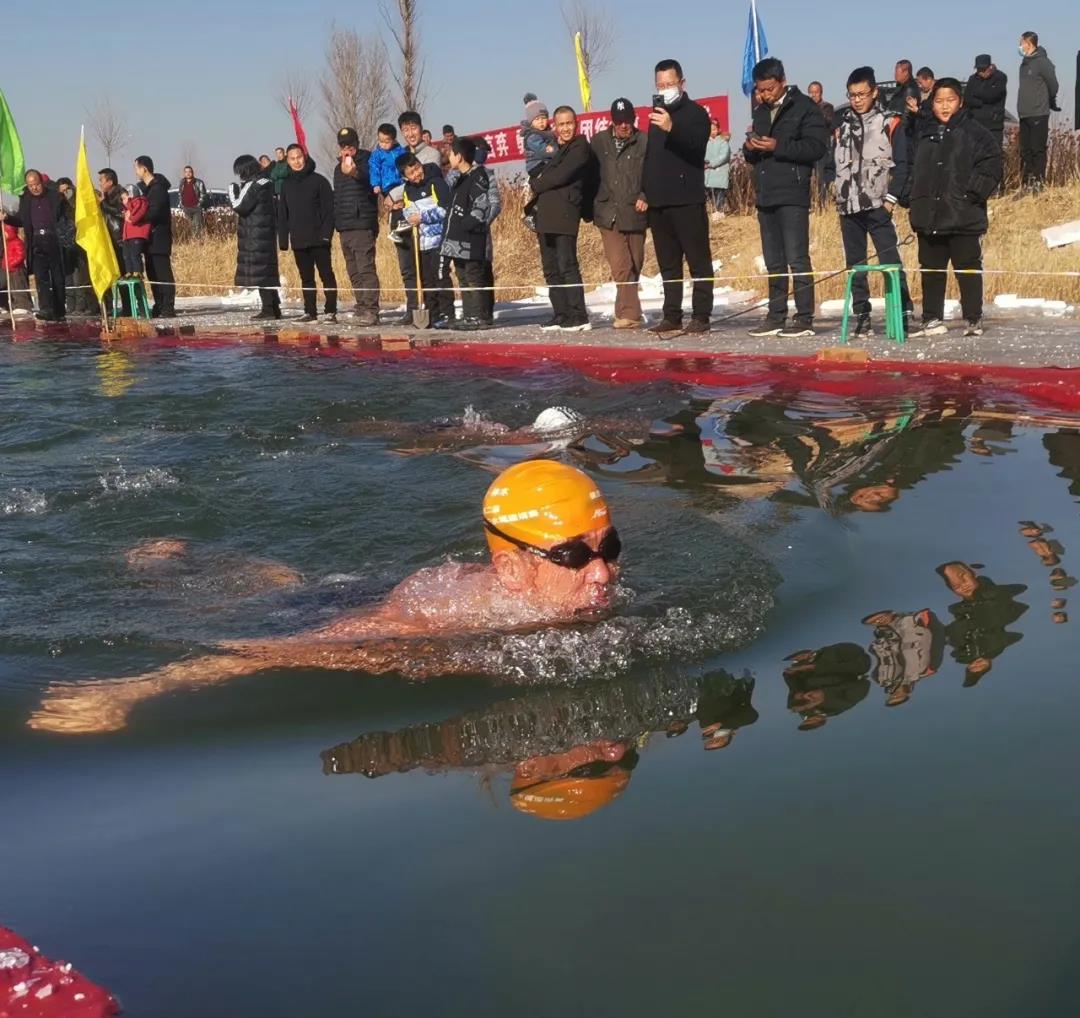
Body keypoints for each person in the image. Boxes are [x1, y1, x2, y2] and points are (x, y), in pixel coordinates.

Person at [29, 460, 622, 734]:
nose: (602, 573)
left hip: (384, 589)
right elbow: (273, 650)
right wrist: (128, 690)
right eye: (574, 556)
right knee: (275, 600)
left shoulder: (558, 595)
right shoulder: (448, 620)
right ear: (511, 569)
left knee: (298, 583)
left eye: (610, 548)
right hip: (353, 613)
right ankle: (170, 559)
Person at [908, 78, 1002, 337]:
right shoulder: (924, 132)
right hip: (929, 215)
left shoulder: (975, 132)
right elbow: (911, 167)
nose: (944, 106)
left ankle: (973, 318)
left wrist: (974, 192)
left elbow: (992, 163)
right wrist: (911, 197)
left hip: (963, 214)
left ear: (960, 102)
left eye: (950, 100)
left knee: (967, 268)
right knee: (931, 270)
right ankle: (931, 318)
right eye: (939, 101)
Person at [744, 57, 828, 339]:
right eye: (760, 90)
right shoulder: (760, 110)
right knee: (773, 261)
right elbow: (754, 152)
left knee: (797, 258)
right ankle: (775, 315)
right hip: (765, 192)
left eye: (769, 89)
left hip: (792, 192)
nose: (765, 95)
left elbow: (816, 147)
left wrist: (778, 146)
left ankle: (804, 317)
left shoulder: (805, 107)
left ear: (783, 81)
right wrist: (750, 148)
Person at [832, 66, 914, 338]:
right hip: (848, 207)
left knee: (891, 262)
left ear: (874, 92)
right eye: (852, 95)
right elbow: (833, 164)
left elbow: (902, 165)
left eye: (862, 94)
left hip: (878, 205)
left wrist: (891, 200)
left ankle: (902, 311)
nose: (857, 100)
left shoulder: (890, 122)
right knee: (855, 266)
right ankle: (861, 314)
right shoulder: (841, 126)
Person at [642, 58, 713, 338]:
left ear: (682, 83)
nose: (665, 89)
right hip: (659, 202)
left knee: (698, 261)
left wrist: (673, 127)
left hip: (687, 199)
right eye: (660, 85)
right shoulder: (656, 116)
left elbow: (696, 147)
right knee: (668, 264)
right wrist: (645, 190)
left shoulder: (696, 113)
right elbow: (651, 157)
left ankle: (701, 315)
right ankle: (671, 315)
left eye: (669, 84)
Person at [529, 105, 595, 333]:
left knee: (567, 265)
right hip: (546, 214)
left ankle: (578, 315)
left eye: (569, 123)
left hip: (566, 212)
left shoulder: (580, 147)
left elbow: (561, 175)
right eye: (561, 124)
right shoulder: (556, 148)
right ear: (555, 126)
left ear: (576, 124)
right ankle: (561, 313)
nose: (565, 128)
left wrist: (537, 184)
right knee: (550, 267)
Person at [591, 97, 648, 329]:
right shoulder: (598, 142)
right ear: (612, 121)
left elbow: (654, 172)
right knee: (620, 265)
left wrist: (646, 195)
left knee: (635, 264)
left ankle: (622, 311)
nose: (624, 125)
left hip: (635, 210)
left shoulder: (644, 141)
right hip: (608, 212)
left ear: (634, 119)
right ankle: (632, 314)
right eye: (619, 121)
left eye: (628, 120)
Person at [389, 112, 442, 325]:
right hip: (405, 218)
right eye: (406, 130)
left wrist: (393, 194)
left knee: (428, 270)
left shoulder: (431, 154)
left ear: (421, 128)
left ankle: (432, 310)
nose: (410, 133)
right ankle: (412, 309)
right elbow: (399, 181)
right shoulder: (401, 155)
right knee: (408, 267)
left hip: (426, 222)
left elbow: (420, 180)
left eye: (413, 128)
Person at [277, 144, 337, 323]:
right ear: (287, 161)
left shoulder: (319, 181)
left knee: (326, 275)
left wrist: (326, 235)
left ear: (305, 157)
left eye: (299, 157)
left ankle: (331, 311)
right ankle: (310, 311)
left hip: (319, 239)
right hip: (299, 239)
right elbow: (283, 213)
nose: (296, 161)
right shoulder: (286, 185)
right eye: (292, 158)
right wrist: (283, 239)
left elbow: (329, 211)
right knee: (306, 278)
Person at [0, 169, 69, 321]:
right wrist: (7, 218)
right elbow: (21, 220)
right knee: (40, 277)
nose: (34, 188)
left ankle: (59, 309)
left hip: (54, 240)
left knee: (57, 277)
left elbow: (65, 215)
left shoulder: (54, 196)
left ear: (41, 182)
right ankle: (45, 309)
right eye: (30, 185)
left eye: (36, 184)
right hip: (36, 241)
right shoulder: (26, 199)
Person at [440, 137, 492, 331]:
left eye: (451, 154)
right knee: (462, 277)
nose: (449, 157)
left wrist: (465, 225)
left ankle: (478, 316)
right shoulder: (460, 179)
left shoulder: (478, 176)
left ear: (459, 156)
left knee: (473, 278)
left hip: (471, 239)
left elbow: (481, 208)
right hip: (458, 241)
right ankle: (469, 315)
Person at [398, 152, 453, 327]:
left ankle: (447, 314)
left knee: (441, 277)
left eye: (417, 168)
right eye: (411, 173)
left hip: (439, 240)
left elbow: (445, 210)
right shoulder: (408, 190)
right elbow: (407, 210)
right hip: (421, 242)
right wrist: (411, 218)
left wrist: (422, 217)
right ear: (405, 177)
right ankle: (432, 315)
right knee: (426, 280)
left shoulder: (436, 182)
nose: (416, 174)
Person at [333, 127, 382, 326]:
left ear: (357, 144)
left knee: (365, 268)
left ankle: (371, 309)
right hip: (344, 226)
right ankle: (361, 305)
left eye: (350, 145)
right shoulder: (337, 169)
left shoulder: (368, 161)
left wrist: (354, 172)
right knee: (353, 271)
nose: (347, 149)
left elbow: (369, 181)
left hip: (362, 223)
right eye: (343, 145)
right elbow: (337, 197)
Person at [229, 154, 280, 321]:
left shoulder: (254, 184)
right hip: (264, 234)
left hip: (255, 236)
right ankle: (274, 307)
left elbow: (239, 206)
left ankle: (268, 309)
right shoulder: (265, 182)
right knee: (267, 272)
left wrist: (232, 189)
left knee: (261, 273)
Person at [134, 156, 176, 317]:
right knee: (152, 273)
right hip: (149, 238)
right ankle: (159, 304)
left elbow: (154, 212)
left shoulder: (158, 188)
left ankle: (168, 307)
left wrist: (137, 218)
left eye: (137, 168)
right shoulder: (147, 188)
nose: (135, 172)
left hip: (159, 238)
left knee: (162, 273)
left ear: (144, 169)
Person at [1017, 32, 1059, 190]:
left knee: (1037, 149)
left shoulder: (1042, 62)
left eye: (1021, 42)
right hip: (1024, 113)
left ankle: (1039, 183)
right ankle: (1026, 183)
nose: (1020, 46)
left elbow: (1053, 84)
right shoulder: (1024, 63)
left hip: (1038, 112)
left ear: (1028, 43)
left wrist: (1049, 99)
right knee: (1025, 150)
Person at [55, 177, 95, 316]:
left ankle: (81, 306)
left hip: (78, 244)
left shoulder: (77, 203)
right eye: (62, 191)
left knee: (80, 278)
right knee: (68, 279)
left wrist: (71, 198)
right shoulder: (57, 204)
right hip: (64, 245)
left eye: (68, 190)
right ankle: (71, 306)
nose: (65, 193)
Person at [472, 137, 501, 324]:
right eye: (479, 149)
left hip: (482, 232)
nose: (483, 154)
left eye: (485, 150)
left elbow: (495, 203)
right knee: (469, 274)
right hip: (463, 234)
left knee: (484, 270)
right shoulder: (456, 174)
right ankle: (472, 312)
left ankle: (486, 313)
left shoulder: (488, 174)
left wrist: (483, 222)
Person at [965, 55, 1008, 151]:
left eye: (983, 69)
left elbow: (992, 95)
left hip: (993, 125)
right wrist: (980, 102)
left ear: (990, 67)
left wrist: (975, 93)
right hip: (976, 123)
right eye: (979, 69)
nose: (981, 72)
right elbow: (967, 98)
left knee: (993, 152)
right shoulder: (972, 79)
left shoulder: (1000, 77)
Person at [807, 81, 835, 204]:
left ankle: (821, 204)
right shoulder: (805, 108)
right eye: (811, 92)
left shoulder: (827, 107)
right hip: (807, 147)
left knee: (820, 177)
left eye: (816, 92)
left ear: (821, 93)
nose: (814, 95)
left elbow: (828, 121)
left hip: (821, 147)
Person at [0, 220, 32, 316]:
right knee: (11, 288)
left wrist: (11, 264)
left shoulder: (17, 242)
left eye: (6, 232)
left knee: (18, 286)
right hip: (9, 270)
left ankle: (23, 305)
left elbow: (20, 255)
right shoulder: (6, 244)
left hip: (17, 269)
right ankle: (15, 304)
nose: (4, 234)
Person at [368, 123, 406, 200]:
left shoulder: (400, 151)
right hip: (386, 186)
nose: (383, 145)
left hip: (401, 184)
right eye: (381, 141)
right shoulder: (377, 154)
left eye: (387, 142)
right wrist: (376, 184)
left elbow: (405, 164)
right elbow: (374, 169)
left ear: (394, 140)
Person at [120, 185, 151, 277]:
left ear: (131, 195)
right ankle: (129, 271)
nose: (123, 201)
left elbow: (135, 218)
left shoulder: (140, 202)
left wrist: (128, 211)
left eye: (124, 198)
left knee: (135, 254)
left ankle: (138, 271)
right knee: (126, 255)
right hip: (127, 235)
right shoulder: (127, 208)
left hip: (137, 233)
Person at [704, 119, 730, 220]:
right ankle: (712, 212)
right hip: (708, 173)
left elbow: (723, 156)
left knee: (719, 193)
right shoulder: (705, 142)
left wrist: (711, 164)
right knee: (710, 193)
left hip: (719, 173)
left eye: (714, 129)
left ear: (718, 129)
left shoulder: (723, 141)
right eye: (710, 129)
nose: (712, 132)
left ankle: (719, 212)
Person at [178, 165, 207, 238]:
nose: (188, 173)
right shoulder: (182, 182)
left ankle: (196, 241)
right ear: (184, 173)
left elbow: (203, 194)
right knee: (189, 227)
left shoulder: (199, 182)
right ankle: (190, 241)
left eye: (189, 172)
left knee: (197, 227)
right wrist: (181, 204)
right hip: (185, 208)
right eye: (186, 172)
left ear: (192, 173)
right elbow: (180, 194)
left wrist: (199, 204)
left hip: (196, 208)